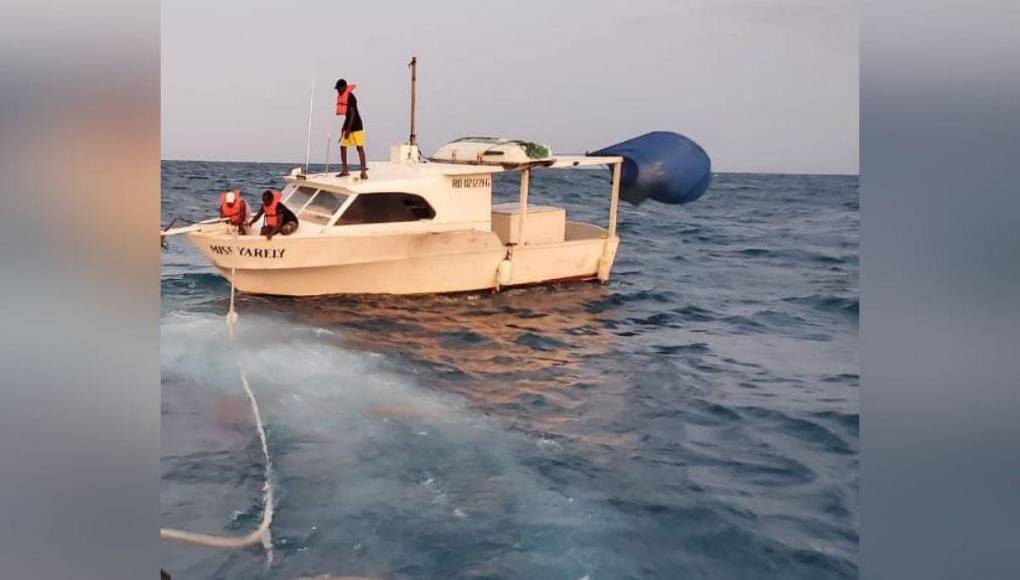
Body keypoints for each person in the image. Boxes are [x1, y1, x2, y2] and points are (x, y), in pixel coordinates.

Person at [334, 78, 368, 179]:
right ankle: (345, 170)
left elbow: (352, 114)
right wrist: (344, 127)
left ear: (343, 87)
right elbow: (347, 116)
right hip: (349, 124)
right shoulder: (343, 97)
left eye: (338, 89)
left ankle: (363, 172)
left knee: (359, 148)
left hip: (357, 126)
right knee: (343, 146)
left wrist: (348, 130)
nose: (337, 91)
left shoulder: (351, 97)